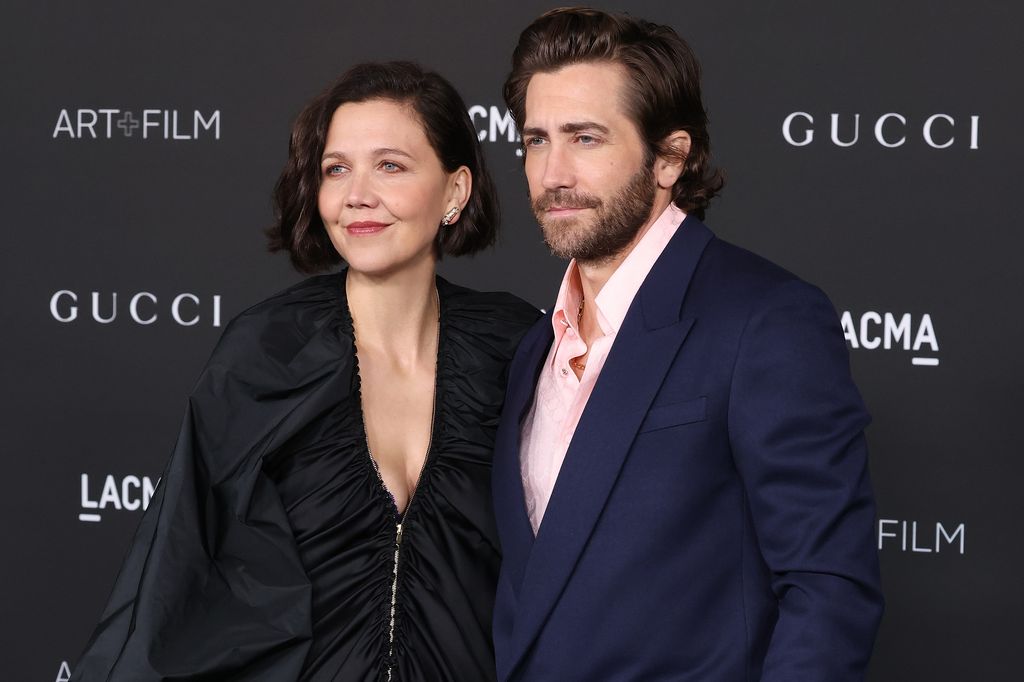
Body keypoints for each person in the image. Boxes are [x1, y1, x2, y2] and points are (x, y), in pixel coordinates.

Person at [73, 61, 538, 681]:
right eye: (335, 169)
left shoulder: (518, 349)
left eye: (390, 165)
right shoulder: (267, 349)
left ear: (455, 192)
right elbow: (178, 571)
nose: (356, 195)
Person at [490, 8, 884, 681]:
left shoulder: (764, 320)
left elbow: (828, 590)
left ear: (669, 156)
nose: (552, 172)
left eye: (585, 139)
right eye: (535, 141)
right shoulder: (534, 347)